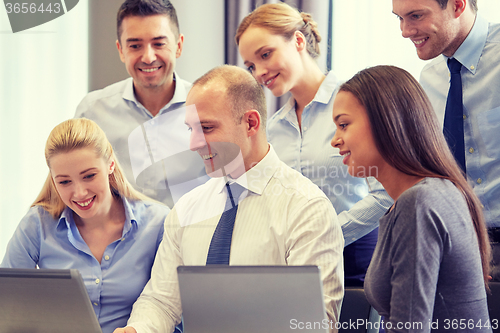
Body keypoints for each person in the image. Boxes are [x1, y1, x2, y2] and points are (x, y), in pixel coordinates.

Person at [113, 65, 344, 333]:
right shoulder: (187, 208)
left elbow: (315, 325)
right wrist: (137, 330)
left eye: (207, 128)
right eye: (191, 129)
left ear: (251, 123)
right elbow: (162, 301)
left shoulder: (306, 208)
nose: (194, 144)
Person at [235, 2, 393, 287]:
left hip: (357, 264)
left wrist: (325, 235)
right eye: (250, 66)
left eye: (265, 54)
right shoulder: (271, 129)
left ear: (297, 41)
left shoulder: (358, 102)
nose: (258, 72)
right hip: (294, 268)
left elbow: (386, 194)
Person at [331, 65, 491, 329]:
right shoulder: (431, 193)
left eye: (344, 125)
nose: (335, 140)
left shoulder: (419, 203)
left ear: (387, 120)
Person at [1, 118, 169, 333]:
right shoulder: (37, 224)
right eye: (64, 182)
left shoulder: (157, 222)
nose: (79, 193)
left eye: (89, 176)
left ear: (110, 164)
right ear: (53, 180)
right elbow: (7, 305)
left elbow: (170, 306)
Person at [393, 0, 500, 280]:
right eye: (400, 19)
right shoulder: (430, 79)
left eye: (415, 16)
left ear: (457, 5)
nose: (405, 31)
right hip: (462, 245)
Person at [75, 0, 207, 209]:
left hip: (193, 237)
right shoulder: (92, 111)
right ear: (121, 50)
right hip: (120, 241)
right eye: (135, 45)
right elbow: (75, 185)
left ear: (178, 46)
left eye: (159, 43)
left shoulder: (208, 107)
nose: (148, 57)